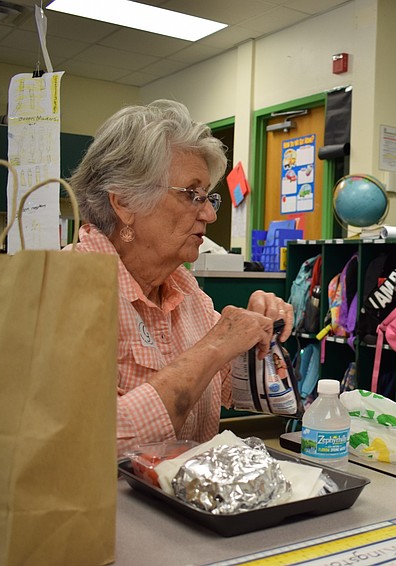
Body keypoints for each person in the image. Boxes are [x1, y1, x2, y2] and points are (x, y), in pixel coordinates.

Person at [70, 99, 293, 455]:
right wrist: (215, 345)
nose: (208, 214)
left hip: (187, 502)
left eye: (208, 197)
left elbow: (235, 392)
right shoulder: (69, 291)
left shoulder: (184, 288)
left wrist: (258, 339)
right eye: (192, 195)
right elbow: (88, 441)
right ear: (125, 202)